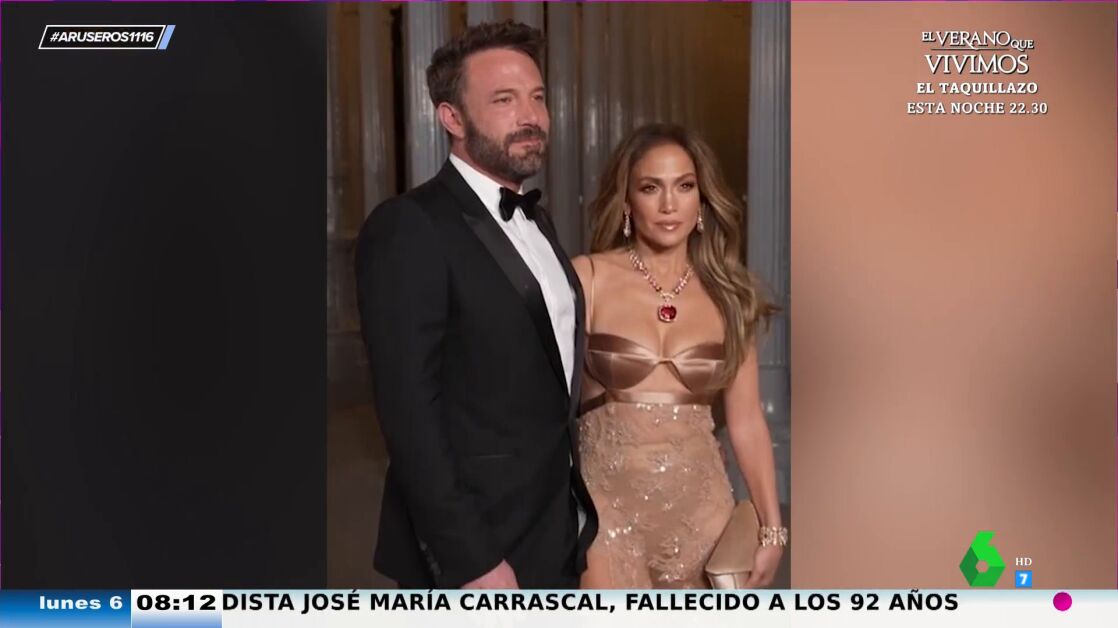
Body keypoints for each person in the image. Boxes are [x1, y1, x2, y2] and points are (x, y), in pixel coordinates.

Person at [354, 21, 597, 589]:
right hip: (477, 547)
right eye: (504, 100)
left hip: (554, 527)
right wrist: (471, 560)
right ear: (452, 118)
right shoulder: (409, 226)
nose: (531, 115)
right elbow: (409, 415)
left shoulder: (539, 220)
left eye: (537, 97)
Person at [572, 123, 786, 589]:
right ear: (627, 202)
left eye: (684, 186)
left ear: (702, 200)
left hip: (703, 517)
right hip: (606, 512)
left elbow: (747, 422)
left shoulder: (731, 297)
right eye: (651, 188)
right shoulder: (588, 278)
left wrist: (772, 528)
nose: (669, 205)